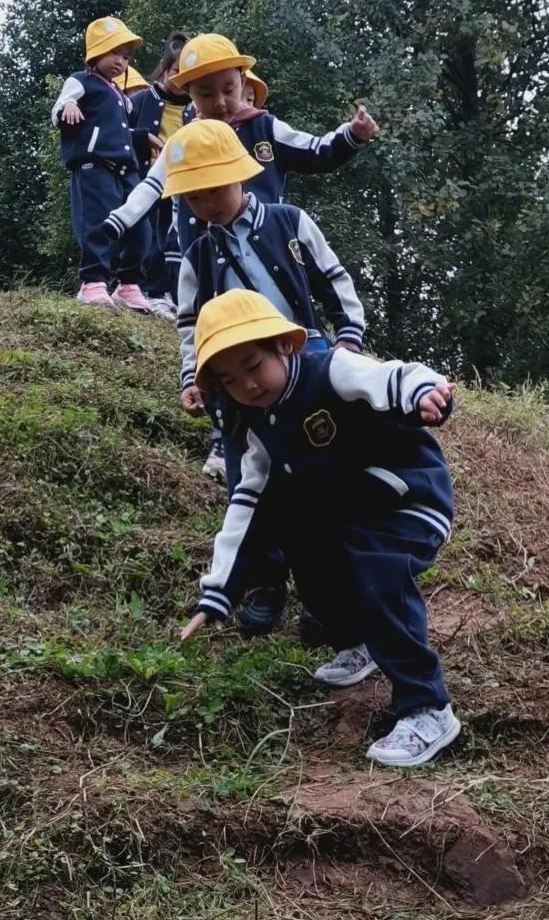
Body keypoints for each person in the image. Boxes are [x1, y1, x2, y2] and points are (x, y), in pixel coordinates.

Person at [181, 289, 461, 769]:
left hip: (407, 498)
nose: (247, 386)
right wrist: (219, 590)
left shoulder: (329, 370)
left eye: (253, 366)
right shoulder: (257, 425)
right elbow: (245, 505)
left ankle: (428, 707)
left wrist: (423, 394)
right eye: (229, 380)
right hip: (348, 512)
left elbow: (393, 376)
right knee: (300, 541)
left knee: (378, 572)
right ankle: (359, 641)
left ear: (284, 346)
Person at [98, 32, 377, 468]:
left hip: (270, 251)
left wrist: (352, 136)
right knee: (228, 354)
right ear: (185, 91)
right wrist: (116, 223)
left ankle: (325, 447)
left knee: (289, 359)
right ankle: (228, 443)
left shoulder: (266, 134)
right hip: (210, 261)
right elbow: (151, 188)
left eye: (228, 89)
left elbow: (315, 151)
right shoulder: (182, 146)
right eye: (205, 93)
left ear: (244, 82)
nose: (221, 101)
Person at [165, 118, 366, 636]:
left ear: (240, 173)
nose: (206, 203)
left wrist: (348, 337)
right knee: (249, 485)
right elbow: (190, 324)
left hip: (307, 370)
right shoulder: (198, 257)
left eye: (214, 188)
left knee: (321, 481)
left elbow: (333, 278)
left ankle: (328, 598)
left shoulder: (290, 222)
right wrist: (194, 376)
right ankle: (263, 586)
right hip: (238, 390)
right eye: (193, 196)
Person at [51, 16, 155, 311]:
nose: (120, 61)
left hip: (126, 170)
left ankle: (129, 283)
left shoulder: (121, 96)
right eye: (113, 53)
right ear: (95, 52)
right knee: (97, 223)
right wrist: (69, 106)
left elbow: (118, 130)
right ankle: (93, 281)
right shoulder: (81, 81)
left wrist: (143, 137)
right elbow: (60, 107)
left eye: (125, 56)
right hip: (94, 166)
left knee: (139, 224)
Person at [129, 32, 192, 319]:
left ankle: (169, 294)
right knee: (145, 235)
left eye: (186, 74)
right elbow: (119, 133)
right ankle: (145, 290)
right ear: (164, 68)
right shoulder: (142, 99)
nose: (179, 79)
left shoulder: (195, 109)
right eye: (175, 71)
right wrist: (145, 139)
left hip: (180, 183)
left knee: (173, 240)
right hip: (146, 179)